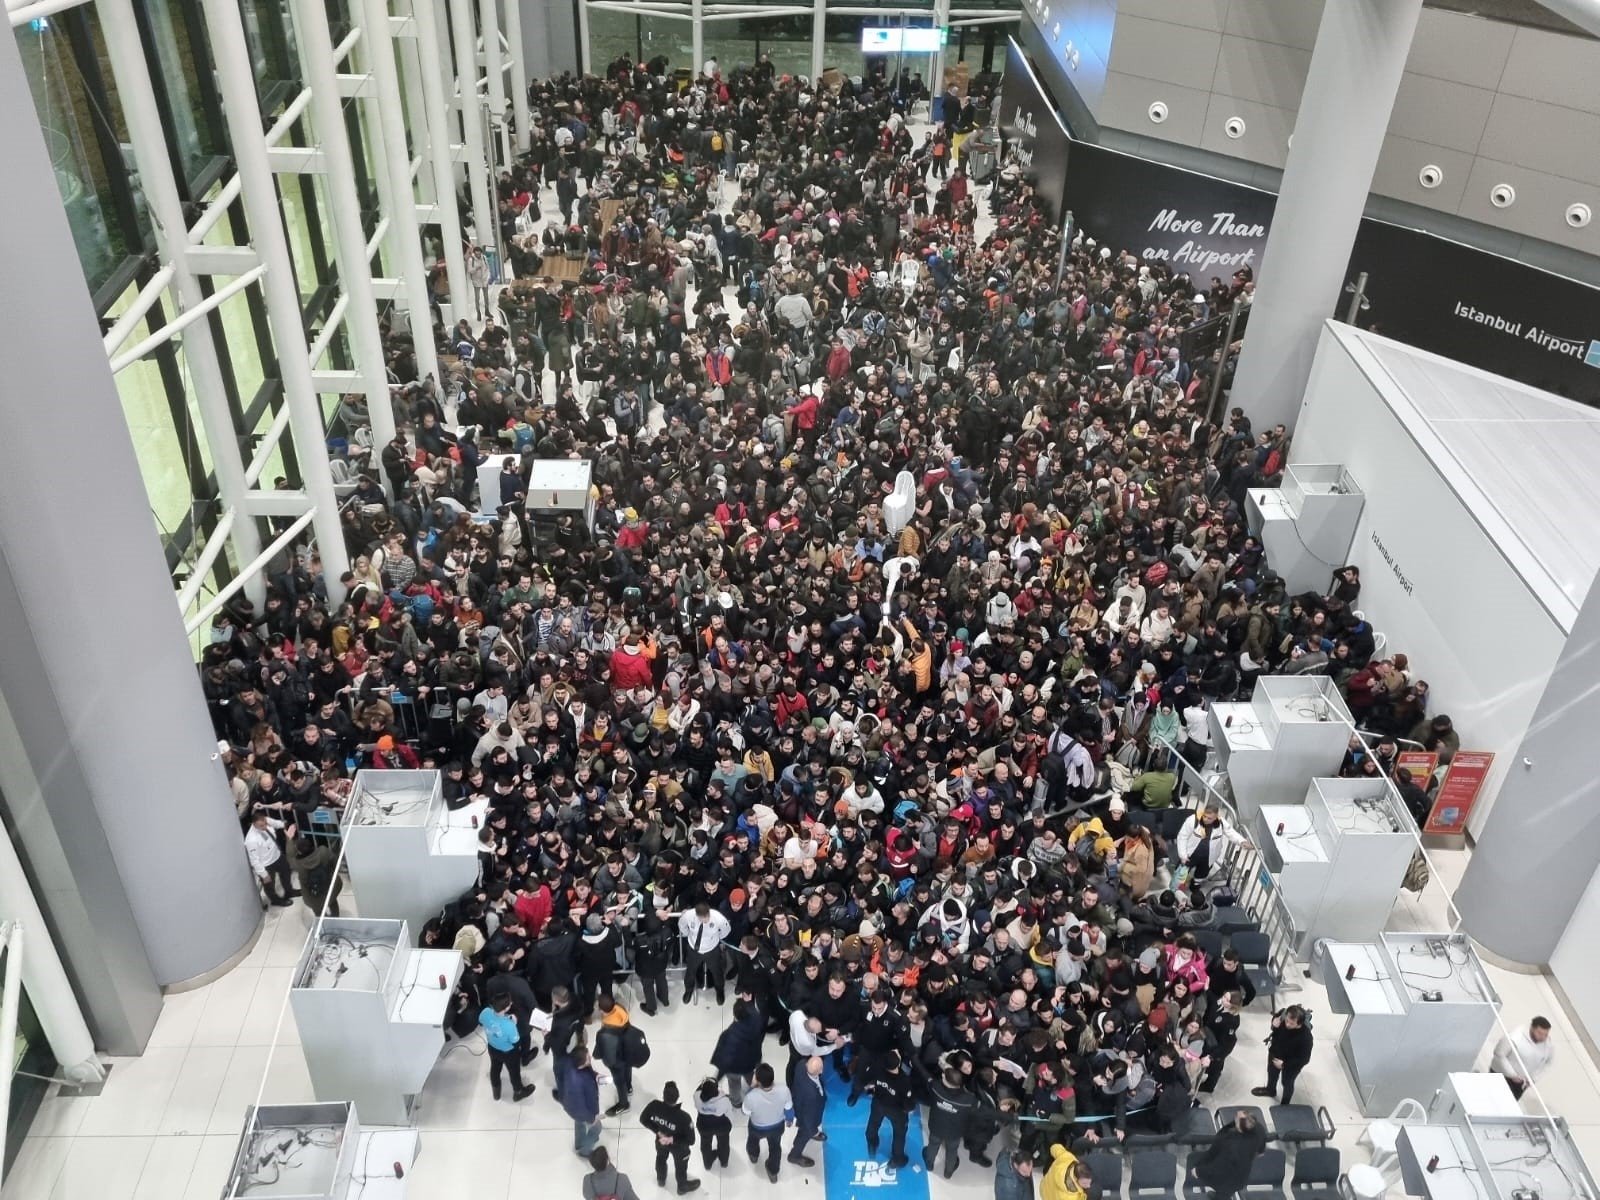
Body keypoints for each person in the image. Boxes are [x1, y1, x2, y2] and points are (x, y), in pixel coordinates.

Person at [1190, 1109, 1268, 1200]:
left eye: (1237, 1118)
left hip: (1228, 1178)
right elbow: (1260, 1152)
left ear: (1239, 1128)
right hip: (1241, 1174)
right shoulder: (1259, 1129)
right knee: (1225, 1192)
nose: (1235, 1117)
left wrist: (1198, 1171)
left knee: (1223, 1194)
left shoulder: (1232, 1145)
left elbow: (1218, 1166)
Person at [641, 1080, 703, 1194]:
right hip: (679, 1147)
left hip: (661, 1141)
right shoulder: (684, 1118)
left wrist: (658, 1132)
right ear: (678, 1097)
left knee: (660, 1158)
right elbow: (691, 1140)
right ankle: (682, 1187)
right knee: (680, 1167)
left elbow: (643, 1119)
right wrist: (672, 1139)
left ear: (663, 1096)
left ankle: (661, 1179)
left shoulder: (654, 1105)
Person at [742, 1062, 794, 1183]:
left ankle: (753, 1155)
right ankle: (773, 1171)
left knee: (753, 1140)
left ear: (758, 1081)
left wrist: (752, 1087)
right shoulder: (784, 1090)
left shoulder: (751, 1096)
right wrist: (790, 1119)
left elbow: (745, 1112)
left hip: (758, 1128)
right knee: (775, 1147)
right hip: (777, 1127)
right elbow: (789, 1108)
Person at [1253, 1005, 1314, 1105]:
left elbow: (1304, 1059)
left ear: (1300, 1023)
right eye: (1287, 1021)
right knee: (1272, 1074)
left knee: (1287, 1082)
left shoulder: (1306, 1037)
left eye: (1292, 1023)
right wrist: (1273, 1023)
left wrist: (1285, 1064)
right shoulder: (1283, 1015)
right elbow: (1275, 1021)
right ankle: (1270, 1090)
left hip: (1290, 1063)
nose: (1287, 1025)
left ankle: (1285, 1104)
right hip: (1275, 1052)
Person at [864, 1049, 914, 1169]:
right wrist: (909, 1109)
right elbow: (908, 1102)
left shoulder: (877, 1068)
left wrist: (871, 1091)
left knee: (873, 1123)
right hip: (896, 1110)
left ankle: (872, 1143)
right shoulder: (904, 1081)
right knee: (899, 1134)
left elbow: (868, 1083)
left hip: (878, 1103)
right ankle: (897, 1159)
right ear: (898, 1063)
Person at [478, 994, 534, 1102]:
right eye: (509, 1003)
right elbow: (515, 1041)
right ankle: (518, 1092)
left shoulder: (485, 1012)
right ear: (506, 1008)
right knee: (514, 1072)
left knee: (495, 1068)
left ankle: (496, 1093)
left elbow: (481, 1021)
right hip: (508, 1053)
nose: (511, 1003)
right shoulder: (509, 1025)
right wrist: (513, 1022)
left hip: (492, 1047)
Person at [925, 1066, 979, 1178]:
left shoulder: (936, 1088)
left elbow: (925, 1075)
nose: (942, 1076)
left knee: (932, 1145)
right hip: (955, 1133)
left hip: (936, 1128)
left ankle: (929, 1164)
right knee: (952, 1151)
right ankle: (948, 1172)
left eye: (944, 1076)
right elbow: (981, 1112)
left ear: (947, 1082)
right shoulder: (969, 1099)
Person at [678, 901, 731, 1004]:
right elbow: (681, 925)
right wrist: (687, 934)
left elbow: (726, 930)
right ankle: (688, 990)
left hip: (711, 950)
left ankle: (719, 991)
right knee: (690, 972)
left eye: (706, 917)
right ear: (697, 915)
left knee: (717, 972)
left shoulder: (718, 917)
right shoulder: (689, 915)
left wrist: (717, 938)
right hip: (694, 949)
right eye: (702, 918)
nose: (705, 920)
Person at [1492, 1016, 1554, 1099]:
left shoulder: (1548, 1045)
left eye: (1545, 1034)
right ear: (1532, 1028)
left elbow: (1548, 1063)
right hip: (1501, 1076)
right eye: (1539, 1033)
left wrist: (1533, 1079)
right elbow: (1499, 1054)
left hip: (1521, 1084)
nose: (1543, 1037)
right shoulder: (1515, 1036)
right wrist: (1512, 1075)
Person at [594, 994, 637, 1115]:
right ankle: (629, 1087)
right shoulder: (621, 1009)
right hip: (627, 1050)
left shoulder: (606, 1030)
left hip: (616, 1059)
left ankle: (624, 1104)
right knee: (628, 1069)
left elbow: (601, 1052)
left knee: (619, 1081)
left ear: (602, 1010)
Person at [245, 810, 294, 906]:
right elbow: (254, 860)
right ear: (254, 824)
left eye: (265, 824)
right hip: (266, 864)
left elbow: (276, 823)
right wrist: (263, 874)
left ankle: (289, 891)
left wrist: (284, 824)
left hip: (277, 855)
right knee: (269, 885)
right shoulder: (251, 840)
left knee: (286, 872)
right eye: (261, 826)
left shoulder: (265, 821)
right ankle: (276, 900)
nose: (265, 827)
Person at [560, 1047, 603, 1158]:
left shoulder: (574, 1063)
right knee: (597, 1127)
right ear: (581, 1063)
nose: (590, 1058)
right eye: (588, 1057)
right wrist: (592, 1119)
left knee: (579, 1124)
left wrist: (596, 1076)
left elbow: (588, 1070)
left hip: (575, 1109)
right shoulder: (575, 1084)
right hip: (581, 1111)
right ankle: (585, 1150)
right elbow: (580, 1108)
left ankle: (579, 1143)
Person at [789, 1054, 827, 1168]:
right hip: (807, 1116)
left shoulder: (801, 1065)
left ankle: (812, 1133)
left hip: (800, 1103)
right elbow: (809, 1119)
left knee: (807, 1128)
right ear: (819, 1071)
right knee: (804, 1134)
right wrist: (812, 1130)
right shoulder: (812, 1096)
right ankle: (794, 1155)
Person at [695, 1078, 734, 1170]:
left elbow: (697, 1091)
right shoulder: (724, 1101)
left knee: (705, 1144)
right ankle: (724, 1161)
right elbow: (729, 1114)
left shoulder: (697, 1096)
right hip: (721, 1126)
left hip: (704, 1125)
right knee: (724, 1143)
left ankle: (707, 1164)